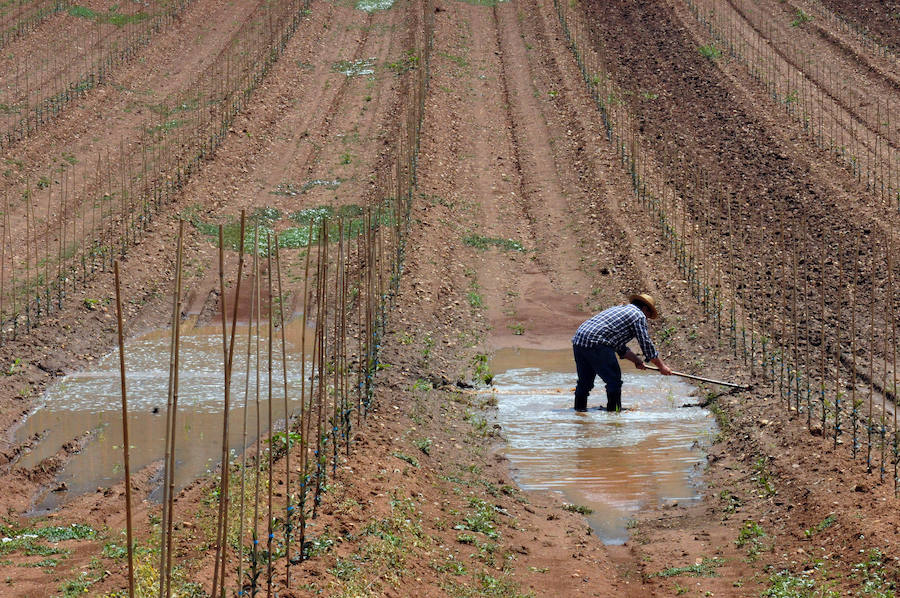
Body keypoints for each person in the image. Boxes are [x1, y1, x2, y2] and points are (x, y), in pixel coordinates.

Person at [571, 293, 673, 412]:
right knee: (614, 380)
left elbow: (619, 347)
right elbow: (646, 344)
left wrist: (637, 361)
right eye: (649, 315)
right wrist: (662, 366)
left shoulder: (620, 310)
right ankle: (614, 414)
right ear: (645, 309)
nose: (648, 319)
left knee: (584, 382)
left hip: (579, 340)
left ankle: (579, 411)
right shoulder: (638, 315)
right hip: (597, 343)